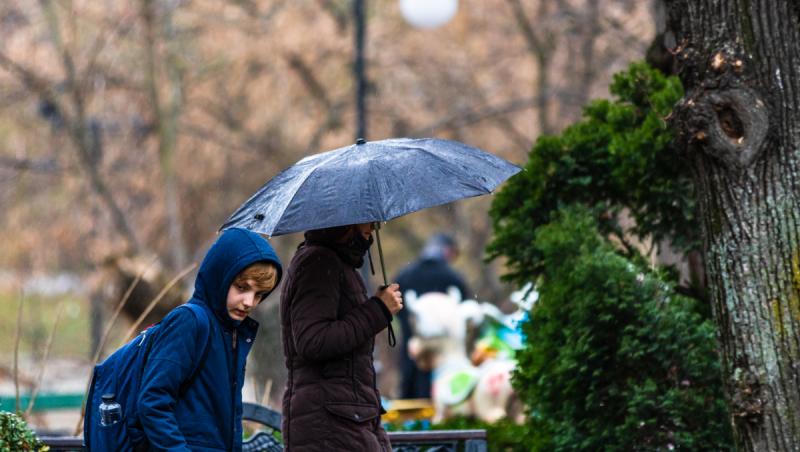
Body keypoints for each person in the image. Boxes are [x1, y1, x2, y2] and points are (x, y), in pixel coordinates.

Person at [136, 227, 282, 451]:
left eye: (259, 294)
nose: (249, 302)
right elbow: (153, 402)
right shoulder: (188, 322)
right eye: (242, 288)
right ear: (219, 276)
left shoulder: (234, 332)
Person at [280, 222, 403, 451]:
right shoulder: (318, 262)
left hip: (347, 418)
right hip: (329, 425)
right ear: (348, 221)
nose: (374, 226)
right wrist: (378, 310)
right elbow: (312, 341)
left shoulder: (339, 264)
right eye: (367, 219)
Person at [393, 232, 470, 399]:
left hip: (410, 350)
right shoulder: (453, 278)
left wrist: (409, 329)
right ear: (448, 251)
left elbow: (394, 307)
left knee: (410, 396)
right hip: (443, 359)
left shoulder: (404, 276)